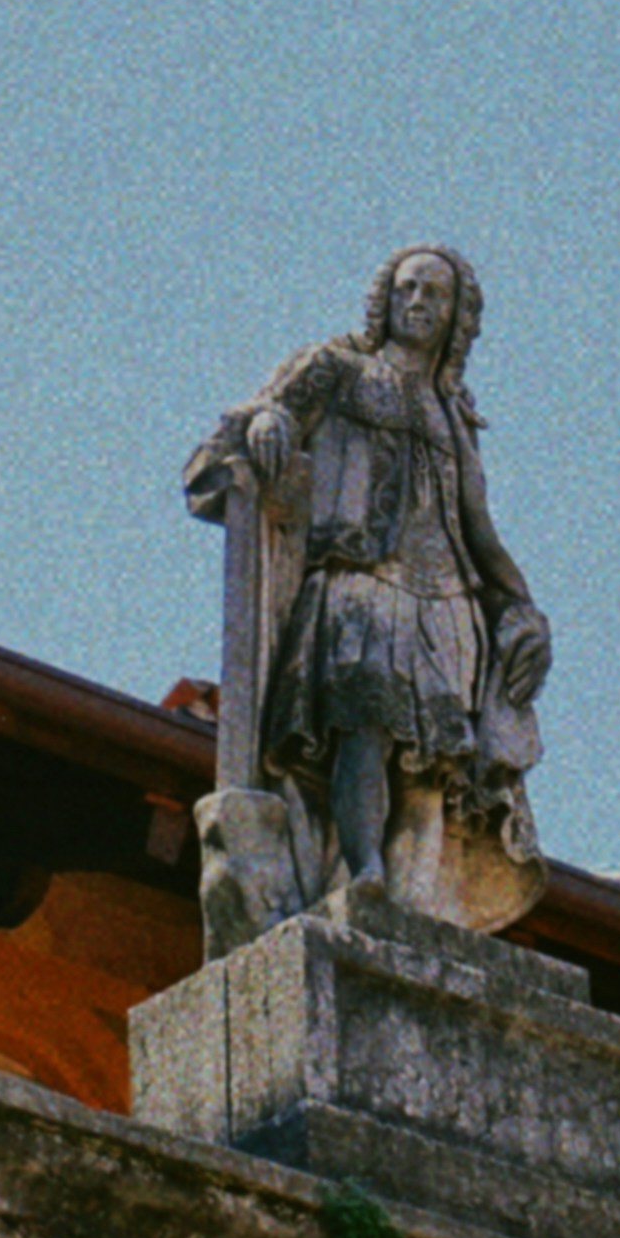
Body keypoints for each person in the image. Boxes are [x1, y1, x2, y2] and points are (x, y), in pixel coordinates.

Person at [184, 242, 550, 919]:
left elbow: (478, 529)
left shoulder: (453, 415)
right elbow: (244, 428)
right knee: (365, 731)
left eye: (434, 294)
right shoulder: (335, 368)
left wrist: (521, 610)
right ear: (384, 298)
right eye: (407, 288)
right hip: (359, 585)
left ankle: (410, 903)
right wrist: (269, 420)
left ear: (457, 317)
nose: (418, 302)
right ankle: (364, 874)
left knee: (429, 768)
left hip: (446, 603)